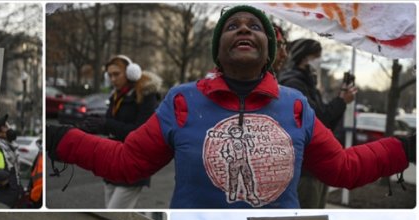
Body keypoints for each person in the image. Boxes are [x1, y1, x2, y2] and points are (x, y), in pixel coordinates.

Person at [46, 5, 414, 208]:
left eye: (255, 25)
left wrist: (407, 148)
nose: (243, 29)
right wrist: (60, 138)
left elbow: (344, 169)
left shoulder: (297, 105)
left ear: (269, 50)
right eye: (232, 25)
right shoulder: (182, 100)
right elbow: (127, 162)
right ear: (218, 48)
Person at [278, 38, 358, 208]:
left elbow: (327, 126)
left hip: (317, 168)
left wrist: (341, 99)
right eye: (317, 56)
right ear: (304, 58)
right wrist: (342, 101)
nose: (320, 60)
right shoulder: (294, 84)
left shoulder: (309, 84)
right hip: (304, 170)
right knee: (306, 217)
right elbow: (317, 120)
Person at [82, 55, 162, 208]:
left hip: (134, 164)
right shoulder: (116, 95)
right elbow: (110, 124)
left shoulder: (146, 95)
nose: (112, 79)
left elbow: (140, 133)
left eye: (116, 74)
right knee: (111, 212)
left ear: (131, 72)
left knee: (115, 212)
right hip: (112, 161)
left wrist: (107, 124)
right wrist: (94, 125)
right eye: (110, 75)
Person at [29, 139, 43, 208]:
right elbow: (33, 171)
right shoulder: (40, 154)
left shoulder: (41, 154)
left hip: (38, 194)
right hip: (36, 193)